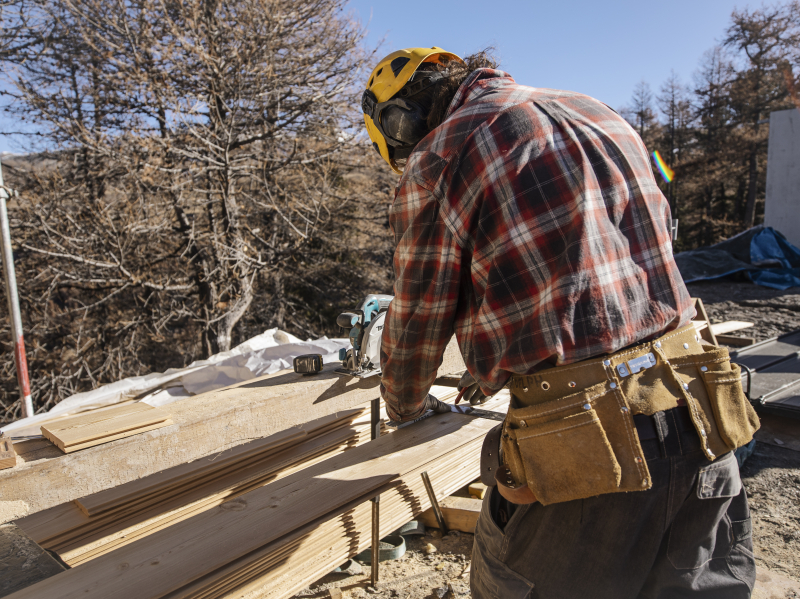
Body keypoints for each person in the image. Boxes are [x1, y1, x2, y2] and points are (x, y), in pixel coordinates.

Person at [361, 47, 759, 598]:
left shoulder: (440, 157)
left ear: (398, 121)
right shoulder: (595, 110)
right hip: (701, 410)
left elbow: (416, 321)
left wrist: (405, 407)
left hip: (585, 447)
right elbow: (634, 251)